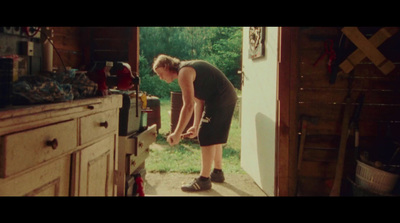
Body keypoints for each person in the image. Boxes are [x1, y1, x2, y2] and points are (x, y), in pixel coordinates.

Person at [152, 54, 238, 192]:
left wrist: (177, 133)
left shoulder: (184, 73)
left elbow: (188, 106)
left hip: (221, 97)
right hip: (224, 96)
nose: (160, 77)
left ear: (167, 67)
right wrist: (195, 126)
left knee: (207, 135)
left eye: (160, 73)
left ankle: (204, 180)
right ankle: (217, 172)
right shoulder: (185, 70)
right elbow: (199, 101)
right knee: (211, 134)